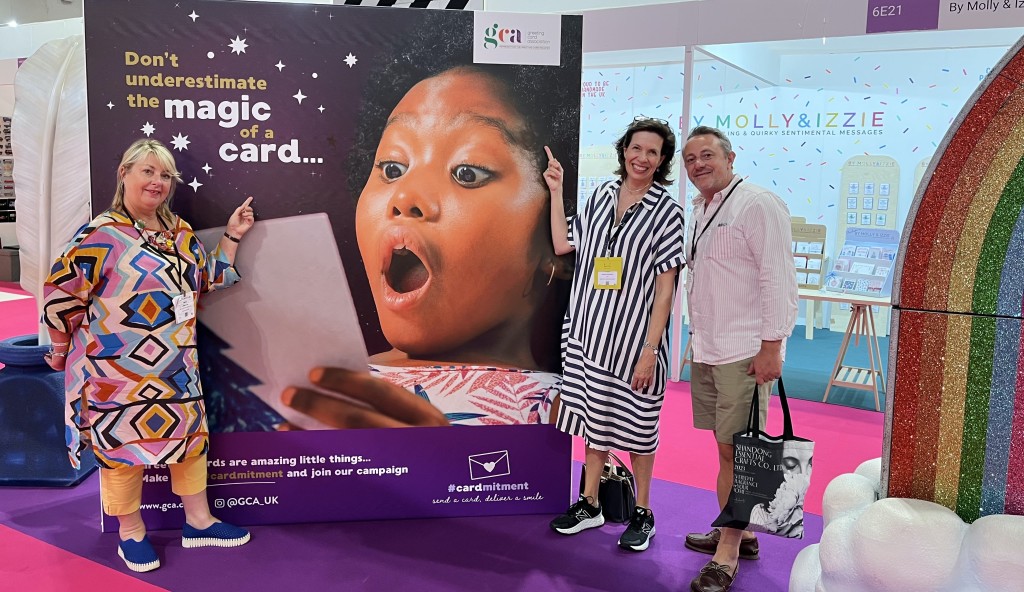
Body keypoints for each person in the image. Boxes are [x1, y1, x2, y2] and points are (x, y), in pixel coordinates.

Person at [279, 18, 581, 429]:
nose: (405, 199)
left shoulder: (556, 407)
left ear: (552, 241)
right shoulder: (323, 389)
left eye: (468, 173)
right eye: (391, 167)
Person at [41, 139, 255, 572]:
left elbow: (208, 277)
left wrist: (232, 236)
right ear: (124, 174)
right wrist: (61, 351)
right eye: (148, 172)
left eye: (165, 175)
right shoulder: (101, 235)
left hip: (177, 368)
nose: (157, 182)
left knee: (191, 443)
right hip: (116, 370)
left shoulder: (179, 231)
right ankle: (131, 533)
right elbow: (60, 298)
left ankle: (198, 521)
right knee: (121, 448)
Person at [543, 116, 685, 552]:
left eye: (652, 152)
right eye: (636, 148)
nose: (642, 158)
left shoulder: (668, 212)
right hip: (587, 333)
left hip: (633, 343)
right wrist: (554, 190)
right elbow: (564, 243)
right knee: (593, 423)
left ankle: (643, 512)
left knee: (640, 429)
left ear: (662, 161)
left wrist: (650, 349)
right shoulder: (602, 196)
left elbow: (666, 290)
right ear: (624, 150)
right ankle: (590, 504)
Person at [680, 126, 798, 592]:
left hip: (745, 351)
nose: (698, 165)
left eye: (707, 155)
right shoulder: (699, 208)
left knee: (741, 451)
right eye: (690, 159)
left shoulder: (756, 203)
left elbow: (778, 278)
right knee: (725, 445)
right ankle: (740, 529)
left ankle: (727, 550)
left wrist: (772, 346)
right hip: (709, 347)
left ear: (731, 157)